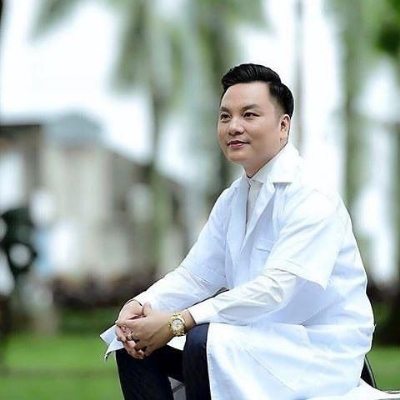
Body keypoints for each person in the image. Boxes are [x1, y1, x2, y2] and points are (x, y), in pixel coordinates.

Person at [112, 63, 375, 400]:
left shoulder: (311, 195)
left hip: (315, 351)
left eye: (249, 115)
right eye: (225, 117)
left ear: (283, 126)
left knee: (204, 341)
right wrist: (139, 305)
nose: (234, 126)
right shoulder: (233, 199)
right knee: (132, 343)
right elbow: (196, 275)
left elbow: (275, 289)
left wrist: (179, 321)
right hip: (252, 341)